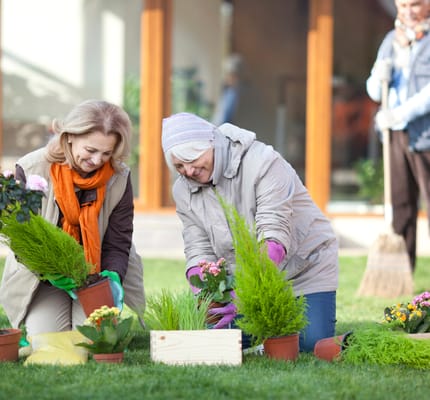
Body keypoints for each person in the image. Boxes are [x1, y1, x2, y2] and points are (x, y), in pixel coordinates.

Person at [161, 112, 338, 352]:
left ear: (212, 144)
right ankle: (262, 335)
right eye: (179, 166)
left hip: (303, 269)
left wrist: (242, 295)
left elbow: (273, 236)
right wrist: (206, 292)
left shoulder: (263, 162)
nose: (189, 171)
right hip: (242, 282)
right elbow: (197, 245)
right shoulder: (183, 190)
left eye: (192, 160)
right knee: (216, 339)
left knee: (309, 344)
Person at [0, 99, 145, 337]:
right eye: (90, 150)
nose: (98, 161)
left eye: (106, 153)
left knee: (91, 340)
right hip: (43, 278)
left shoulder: (118, 177)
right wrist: (52, 272)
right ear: (69, 137)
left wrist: (112, 276)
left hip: (96, 271)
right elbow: (22, 240)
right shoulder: (32, 168)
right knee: (47, 340)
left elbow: (118, 238)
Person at [366, 0, 430, 272]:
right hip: (395, 137)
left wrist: (399, 113)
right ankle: (401, 274)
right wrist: (377, 79)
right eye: (402, 6)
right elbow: (375, 90)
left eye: (414, 5)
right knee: (401, 206)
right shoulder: (391, 39)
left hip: (426, 136)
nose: (407, 12)